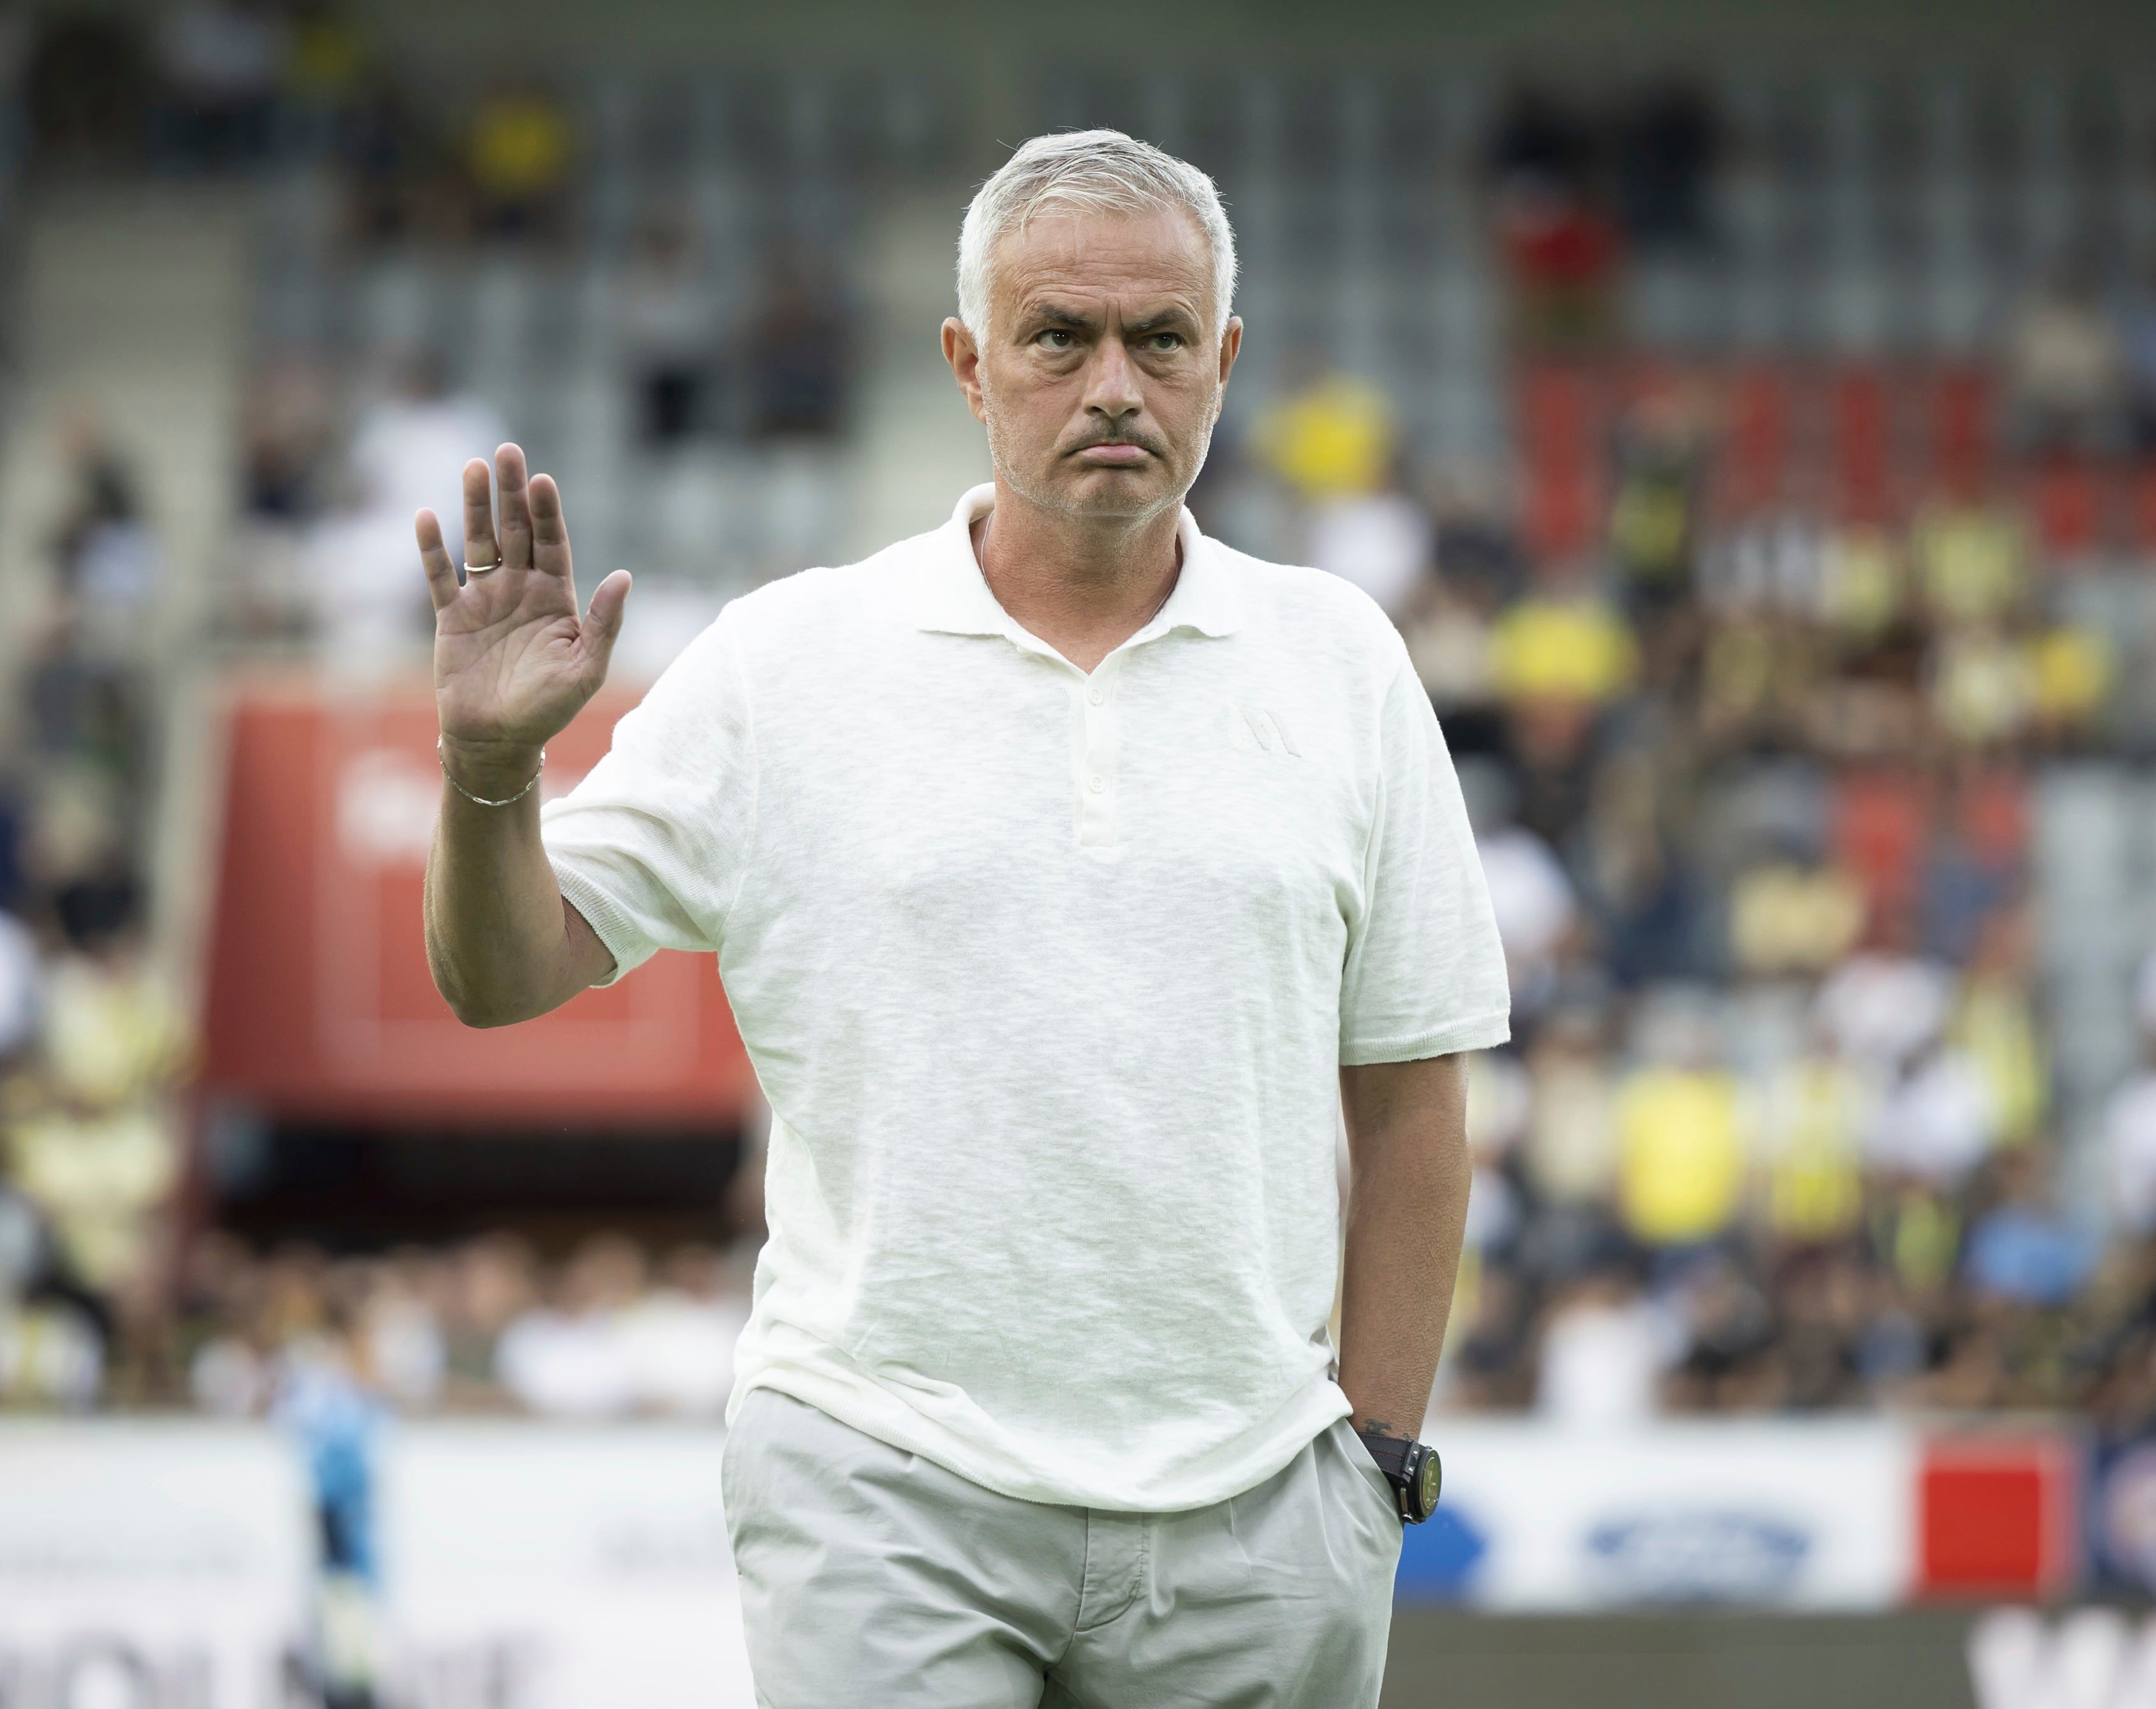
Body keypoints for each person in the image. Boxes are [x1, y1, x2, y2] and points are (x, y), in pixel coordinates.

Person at [414, 130, 1509, 1707]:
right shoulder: (790, 659)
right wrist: (488, 766)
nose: (1113, 385)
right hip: (881, 1477)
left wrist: (1375, 1465)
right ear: (967, 365)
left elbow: (1413, 1103)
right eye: (1057, 337)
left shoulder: (1340, 660)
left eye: (1160, 339)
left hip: (1258, 1508)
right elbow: (498, 977)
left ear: (1225, 364)